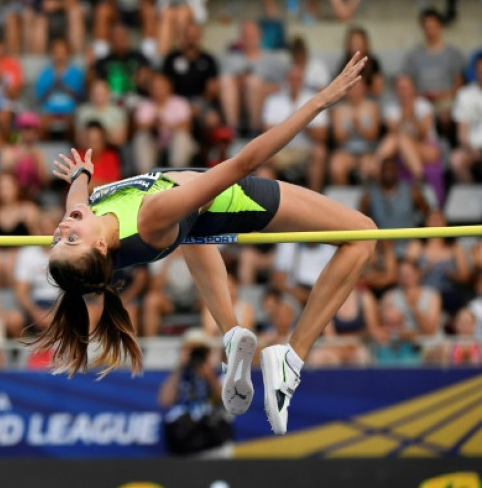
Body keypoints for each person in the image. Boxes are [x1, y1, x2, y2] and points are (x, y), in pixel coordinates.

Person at [36, 53, 373, 436]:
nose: (63, 227)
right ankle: (291, 358)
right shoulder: (150, 216)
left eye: (58, 238)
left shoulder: (86, 217)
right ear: (99, 246)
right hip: (232, 199)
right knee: (363, 234)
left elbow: (76, 199)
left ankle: (231, 334)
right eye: (70, 238)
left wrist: (80, 174)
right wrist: (318, 103)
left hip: (189, 218)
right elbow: (243, 163)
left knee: (191, 233)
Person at [158, 328, 231, 457]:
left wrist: (210, 376)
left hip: (211, 432)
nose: (196, 354)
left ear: (208, 352)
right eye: (191, 350)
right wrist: (180, 367)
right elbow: (165, 401)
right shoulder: (178, 374)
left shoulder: (219, 374)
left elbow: (225, 402)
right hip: (184, 434)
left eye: (200, 350)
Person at [377, 75, 444, 204]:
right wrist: (403, 117)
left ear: (413, 89)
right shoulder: (391, 109)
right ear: (396, 91)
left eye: (406, 88)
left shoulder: (424, 106)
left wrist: (411, 116)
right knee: (395, 140)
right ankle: (419, 179)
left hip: (427, 148)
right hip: (401, 150)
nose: (403, 92)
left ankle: (374, 170)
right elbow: (392, 133)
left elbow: (423, 135)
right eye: (400, 88)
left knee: (402, 140)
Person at [262, 64, 329, 192]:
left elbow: (322, 135)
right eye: (291, 79)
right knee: (264, 159)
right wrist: (297, 120)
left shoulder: (314, 99)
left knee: (320, 152)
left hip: (305, 150)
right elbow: (267, 133)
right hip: (281, 150)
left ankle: (314, 196)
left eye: (298, 79)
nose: (294, 82)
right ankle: (273, 199)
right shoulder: (274, 100)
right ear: (286, 80)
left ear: (303, 80)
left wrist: (298, 121)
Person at [401, 9, 465, 136]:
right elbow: (407, 83)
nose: (430, 31)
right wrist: (420, 96)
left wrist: (444, 95)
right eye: (427, 28)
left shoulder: (453, 53)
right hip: (420, 100)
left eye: (433, 27)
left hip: (446, 101)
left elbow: (459, 84)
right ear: (422, 28)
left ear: (440, 26)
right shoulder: (414, 56)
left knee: (446, 115)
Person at [6, 207, 63, 338]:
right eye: (42, 227)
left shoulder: (67, 252)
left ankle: (69, 350)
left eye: (50, 227)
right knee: (13, 319)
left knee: (87, 314)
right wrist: (36, 313)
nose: (46, 231)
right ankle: (27, 350)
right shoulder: (27, 253)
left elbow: (71, 290)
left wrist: (55, 313)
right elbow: (21, 292)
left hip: (61, 305)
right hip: (34, 304)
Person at [0, 172, 39, 287]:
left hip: (24, 251)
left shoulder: (28, 209)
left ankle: (17, 292)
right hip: (0, 254)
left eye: (8, 187)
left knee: (12, 259)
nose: (4, 192)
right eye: (1, 188)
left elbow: (37, 236)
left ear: (16, 188)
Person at [328, 79, 380, 185]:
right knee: (336, 166)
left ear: (364, 89)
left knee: (372, 168)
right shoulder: (339, 110)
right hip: (345, 152)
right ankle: (342, 194)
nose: (355, 92)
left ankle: (368, 195)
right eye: (352, 89)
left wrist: (359, 126)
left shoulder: (372, 107)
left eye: (358, 88)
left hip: (367, 151)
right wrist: (351, 127)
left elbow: (374, 136)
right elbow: (338, 138)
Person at [449, 55, 482, 183]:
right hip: (473, 148)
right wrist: (471, 150)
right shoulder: (465, 94)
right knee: (456, 160)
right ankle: (470, 192)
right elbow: (462, 133)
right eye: (480, 71)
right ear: (476, 72)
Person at [340, 26, 383, 97]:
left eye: (358, 41)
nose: (356, 44)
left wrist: (361, 89)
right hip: (350, 99)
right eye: (353, 42)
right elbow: (340, 88)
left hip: (369, 98)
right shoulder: (345, 63)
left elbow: (378, 89)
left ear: (365, 43)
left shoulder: (373, 62)